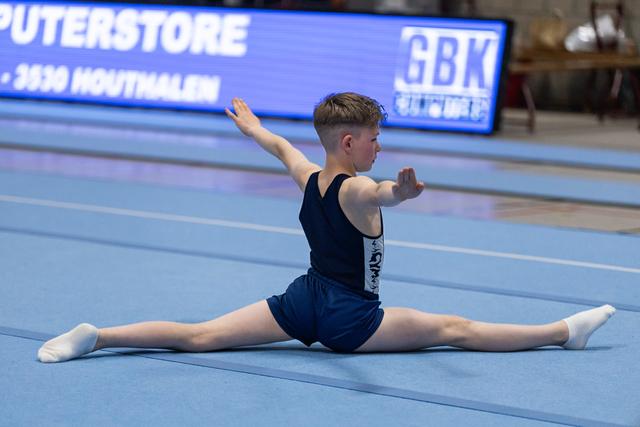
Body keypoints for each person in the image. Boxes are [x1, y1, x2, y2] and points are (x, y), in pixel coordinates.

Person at [37, 93, 615, 363]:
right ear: (349, 142)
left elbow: (279, 145)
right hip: (350, 319)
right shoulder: (360, 189)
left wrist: (253, 127)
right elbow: (379, 191)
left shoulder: (307, 174)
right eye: (373, 138)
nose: (378, 146)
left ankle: (99, 335)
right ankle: (564, 332)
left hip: (302, 299)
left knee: (198, 335)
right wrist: (404, 193)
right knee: (455, 328)